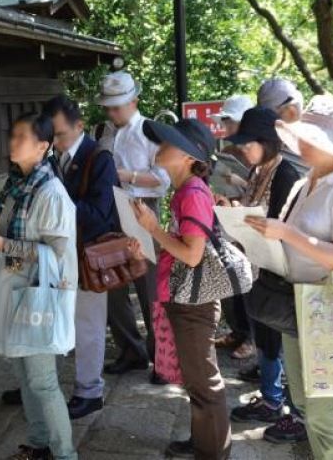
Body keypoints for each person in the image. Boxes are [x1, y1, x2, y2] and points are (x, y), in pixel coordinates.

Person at [246, 95, 333, 460]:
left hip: (326, 306)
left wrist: (286, 235)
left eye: (310, 137)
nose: (300, 144)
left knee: (325, 407)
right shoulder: (307, 182)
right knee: (305, 400)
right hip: (297, 302)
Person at [0, 112, 78, 460]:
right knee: (25, 375)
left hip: (38, 296)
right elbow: (6, 230)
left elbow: (57, 253)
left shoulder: (50, 192)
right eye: (13, 135)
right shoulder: (16, 186)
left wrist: (4, 245)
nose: (13, 142)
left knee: (43, 381)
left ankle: (64, 453)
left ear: (44, 146)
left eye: (22, 137)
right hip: (17, 288)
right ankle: (38, 444)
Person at [132, 118, 232, 460]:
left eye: (169, 142)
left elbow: (192, 254)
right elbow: (183, 246)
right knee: (196, 380)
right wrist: (150, 240)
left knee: (204, 382)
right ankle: (203, 440)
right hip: (186, 296)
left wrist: (151, 229)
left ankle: (213, 452)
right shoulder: (186, 190)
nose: (160, 146)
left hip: (194, 301)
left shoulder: (191, 193)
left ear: (190, 157)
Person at [224, 108, 303, 441]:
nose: (243, 149)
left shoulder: (285, 174)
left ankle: (285, 405)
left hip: (276, 269)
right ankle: (272, 398)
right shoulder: (260, 169)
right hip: (256, 264)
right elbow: (251, 208)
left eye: (248, 143)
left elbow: (278, 222)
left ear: (268, 142)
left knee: (277, 333)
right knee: (264, 332)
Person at [45, 95, 120, 420]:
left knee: (87, 324)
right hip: (56, 251)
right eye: (51, 135)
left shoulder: (99, 157)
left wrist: (55, 201)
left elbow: (100, 214)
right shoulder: (51, 157)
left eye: (60, 134)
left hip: (88, 253)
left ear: (79, 126)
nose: (55, 141)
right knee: (52, 320)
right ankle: (42, 385)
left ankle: (90, 391)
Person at [96, 71, 170, 379]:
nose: (112, 113)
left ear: (134, 101)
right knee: (112, 285)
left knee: (149, 289)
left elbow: (164, 181)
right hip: (108, 211)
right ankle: (131, 350)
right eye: (109, 107)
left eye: (118, 107)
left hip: (141, 210)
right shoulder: (104, 131)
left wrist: (128, 176)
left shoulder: (151, 131)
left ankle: (162, 359)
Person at [210, 95, 256, 359]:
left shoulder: (256, 149)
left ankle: (249, 336)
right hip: (227, 219)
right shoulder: (227, 151)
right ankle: (237, 330)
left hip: (248, 222)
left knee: (248, 279)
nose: (225, 127)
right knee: (230, 277)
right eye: (224, 121)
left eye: (229, 121)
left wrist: (241, 183)